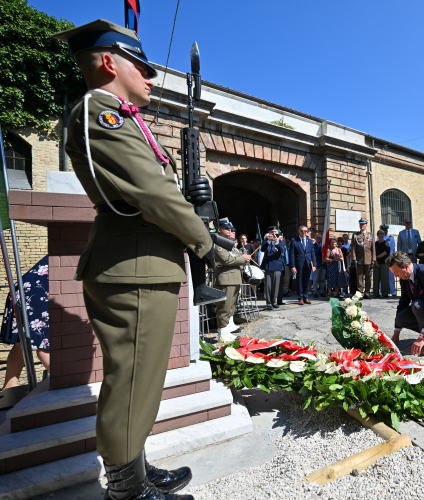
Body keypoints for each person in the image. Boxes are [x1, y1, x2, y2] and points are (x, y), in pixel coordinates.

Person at [54, 19, 204, 499]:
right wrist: (205, 240)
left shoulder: (118, 114)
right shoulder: (100, 112)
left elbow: (156, 188)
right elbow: (151, 192)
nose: (151, 76)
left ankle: (134, 467)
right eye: (141, 66)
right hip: (132, 265)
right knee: (133, 379)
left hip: (140, 262)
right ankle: (125, 490)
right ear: (107, 62)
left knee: (142, 379)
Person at [1, 256, 51, 390]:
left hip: (26, 287)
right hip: (38, 290)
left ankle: (10, 384)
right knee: (44, 344)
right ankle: (64, 384)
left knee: (21, 343)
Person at [214, 218, 251, 336]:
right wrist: (243, 259)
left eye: (230, 228)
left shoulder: (227, 244)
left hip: (233, 278)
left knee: (231, 306)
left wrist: (242, 258)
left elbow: (236, 255)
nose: (230, 230)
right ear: (219, 230)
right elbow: (226, 260)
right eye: (226, 228)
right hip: (225, 279)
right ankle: (222, 332)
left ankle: (227, 328)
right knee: (224, 307)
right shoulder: (218, 244)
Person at [289, 225, 317, 305]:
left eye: (305, 231)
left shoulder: (309, 241)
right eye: (302, 231)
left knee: (306, 280)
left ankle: (306, 297)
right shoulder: (294, 240)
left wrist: (314, 264)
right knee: (299, 281)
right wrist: (293, 266)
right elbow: (292, 254)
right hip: (299, 263)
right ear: (299, 231)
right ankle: (300, 298)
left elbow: (312, 253)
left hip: (307, 263)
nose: (304, 232)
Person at [352, 218, 376, 299]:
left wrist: (374, 259)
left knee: (368, 278)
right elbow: (353, 248)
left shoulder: (370, 235)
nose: (361, 225)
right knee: (359, 278)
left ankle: (367, 293)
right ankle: (360, 293)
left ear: (366, 225)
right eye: (360, 224)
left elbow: (373, 249)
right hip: (359, 260)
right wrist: (354, 259)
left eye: (363, 224)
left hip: (369, 260)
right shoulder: (355, 235)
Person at [261, 227, 284, 310]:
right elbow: (262, 249)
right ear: (269, 233)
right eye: (272, 232)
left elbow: (281, 250)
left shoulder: (280, 242)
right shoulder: (266, 241)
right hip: (268, 266)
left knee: (276, 285)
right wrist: (268, 241)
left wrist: (277, 242)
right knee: (268, 286)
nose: (274, 233)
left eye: (275, 232)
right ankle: (268, 303)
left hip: (277, 266)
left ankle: (274, 301)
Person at [373, 229, 391, 297]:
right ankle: (375, 293)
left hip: (384, 262)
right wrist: (375, 260)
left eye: (381, 233)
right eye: (378, 233)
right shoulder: (375, 243)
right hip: (376, 262)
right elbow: (373, 252)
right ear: (377, 235)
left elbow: (385, 252)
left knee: (385, 278)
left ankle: (385, 293)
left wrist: (377, 257)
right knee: (376, 278)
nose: (380, 234)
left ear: (383, 235)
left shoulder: (386, 242)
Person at [381, 224, 397, 296]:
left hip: (389, 259)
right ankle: (383, 291)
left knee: (391, 276)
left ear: (387, 230)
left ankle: (393, 291)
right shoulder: (378, 239)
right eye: (383, 230)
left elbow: (392, 249)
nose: (384, 231)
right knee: (382, 277)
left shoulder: (391, 239)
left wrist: (388, 258)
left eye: (385, 230)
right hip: (381, 260)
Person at [311, 234, 326, 298]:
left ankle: (322, 291)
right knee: (316, 279)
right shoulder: (313, 246)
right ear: (315, 238)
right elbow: (314, 253)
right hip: (317, 264)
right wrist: (320, 248)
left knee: (322, 279)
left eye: (320, 237)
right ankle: (315, 291)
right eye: (318, 238)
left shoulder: (324, 246)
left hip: (323, 264)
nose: (319, 239)